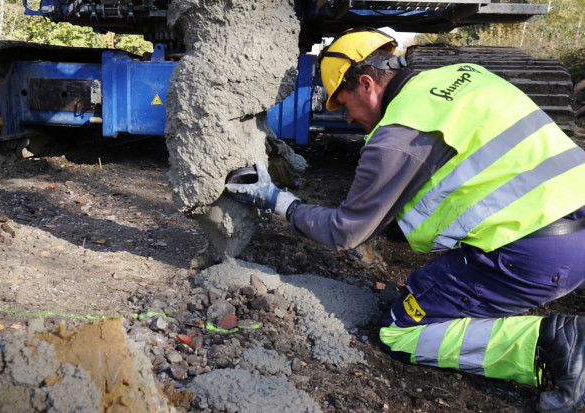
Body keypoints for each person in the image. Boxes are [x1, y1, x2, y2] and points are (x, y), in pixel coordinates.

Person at [225, 27, 585, 412]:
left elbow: (345, 232)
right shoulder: (461, 75)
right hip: (569, 222)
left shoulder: (397, 137)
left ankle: (550, 340)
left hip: (537, 251)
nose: (347, 119)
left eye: (343, 104)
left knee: (399, 332)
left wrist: (279, 202)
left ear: (366, 84)